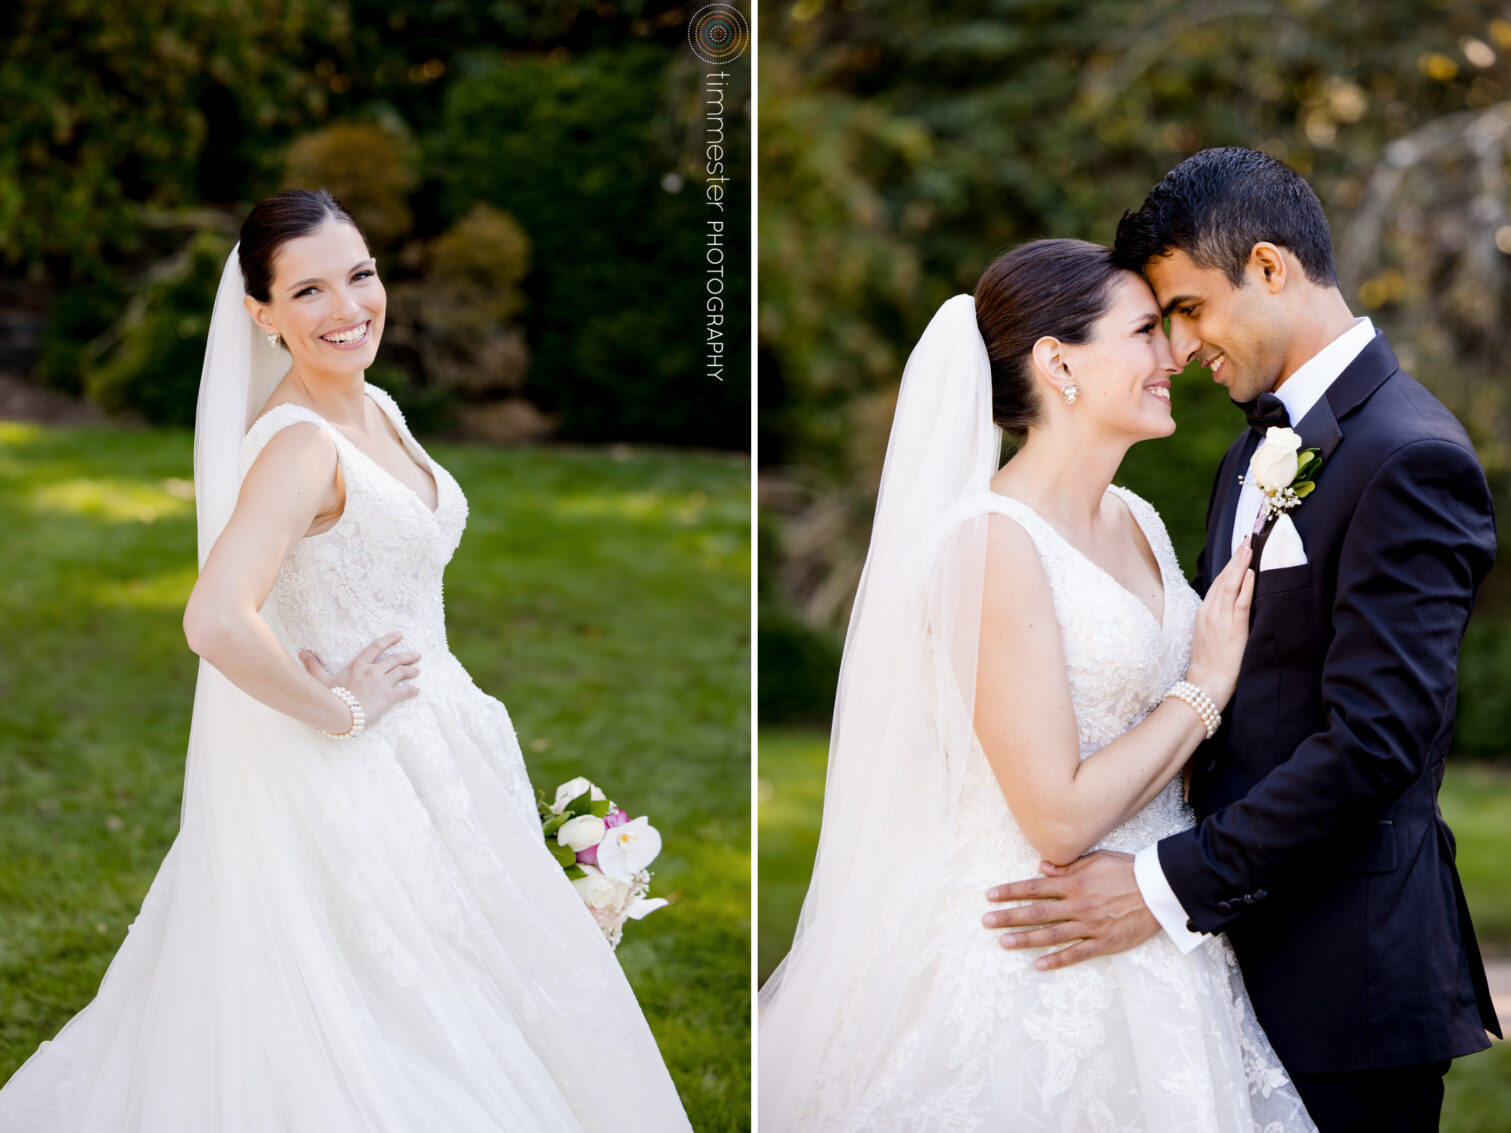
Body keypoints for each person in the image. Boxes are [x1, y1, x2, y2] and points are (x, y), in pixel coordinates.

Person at [0, 190, 693, 1132]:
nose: (348, 308)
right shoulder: (298, 444)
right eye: (311, 291)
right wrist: (341, 710)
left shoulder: (376, 406)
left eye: (359, 276)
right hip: (358, 760)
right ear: (262, 315)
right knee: (393, 1017)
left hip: (440, 739)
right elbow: (214, 619)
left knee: (475, 995)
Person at [983, 148, 1501, 1133]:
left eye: (1185, 309)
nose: (1176, 350)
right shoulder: (1246, 453)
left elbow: (1375, 741)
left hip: (1344, 983)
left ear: (1267, 268)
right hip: (1221, 968)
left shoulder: (1409, 454)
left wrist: (1160, 884)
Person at [759, 237, 1316, 1130]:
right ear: (1058, 362)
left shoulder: (1135, 519)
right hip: (1034, 948)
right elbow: (1054, 815)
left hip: (1158, 933)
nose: (1172, 354)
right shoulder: (988, 542)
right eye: (1142, 331)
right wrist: (1203, 688)